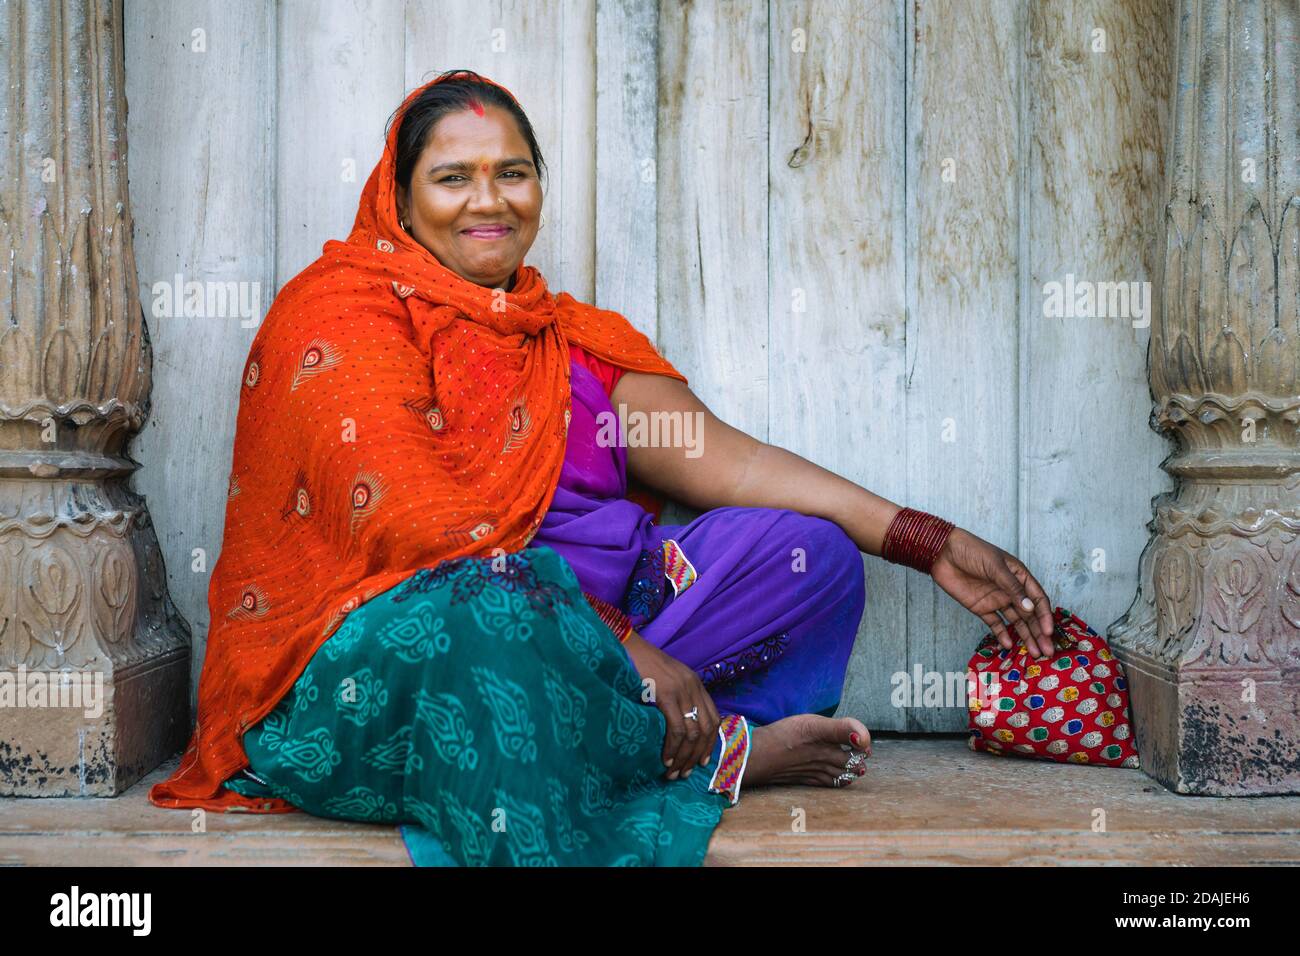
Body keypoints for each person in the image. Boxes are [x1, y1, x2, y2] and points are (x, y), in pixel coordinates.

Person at [149, 70, 1056, 866]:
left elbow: (728, 464)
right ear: (399, 195)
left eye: (511, 172)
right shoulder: (341, 316)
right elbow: (421, 535)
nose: (488, 201)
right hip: (395, 675)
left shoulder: (563, 337)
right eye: (452, 177)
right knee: (487, 610)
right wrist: (624, 644)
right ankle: (712, 754)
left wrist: (925, 540)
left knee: (806, 553)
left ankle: (635, 728)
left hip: (604, 648)